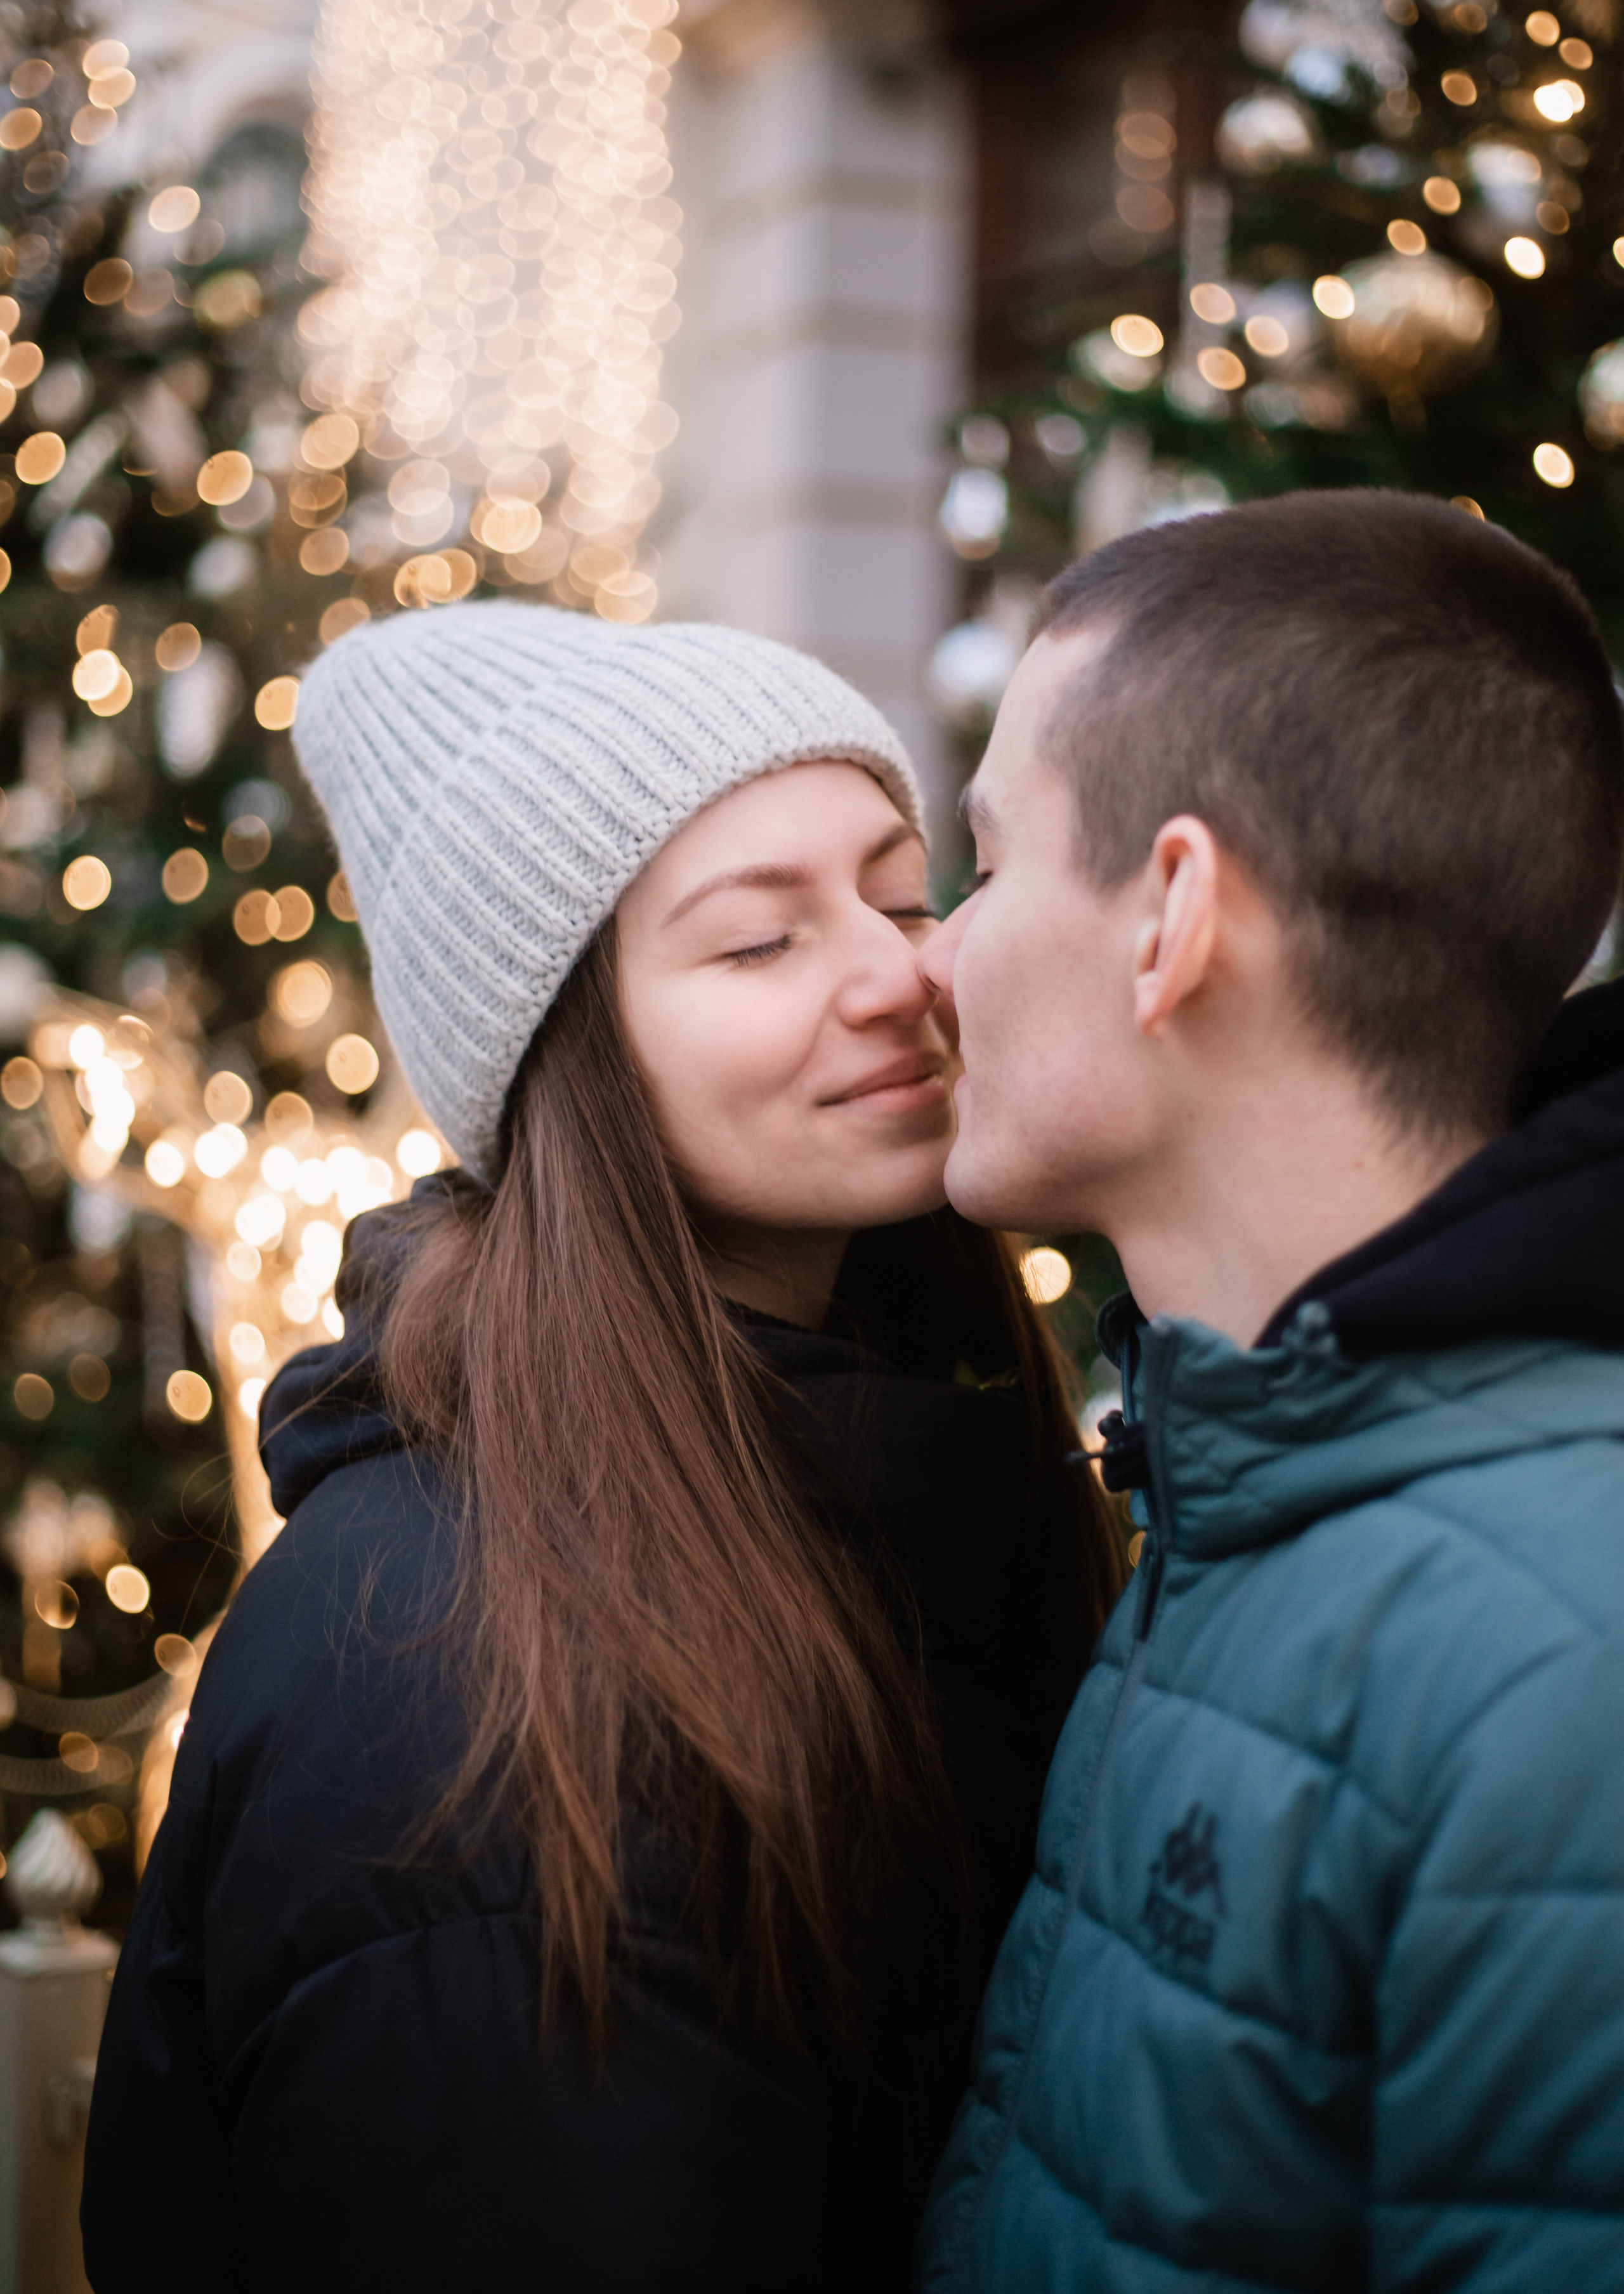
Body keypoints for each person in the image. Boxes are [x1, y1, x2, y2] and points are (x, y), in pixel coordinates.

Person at [81, 604, 1123, 2292]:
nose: (894, 974)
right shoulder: (469, 1687)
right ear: (567, 1056)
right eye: (756, 944)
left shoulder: (898, 1465)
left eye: (904, 893)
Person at [914, 489, 1624, 2292]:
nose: (933, 953)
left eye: (989, 867)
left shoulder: (1562, 1672)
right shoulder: (1246, 1496)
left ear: (1171, 917)